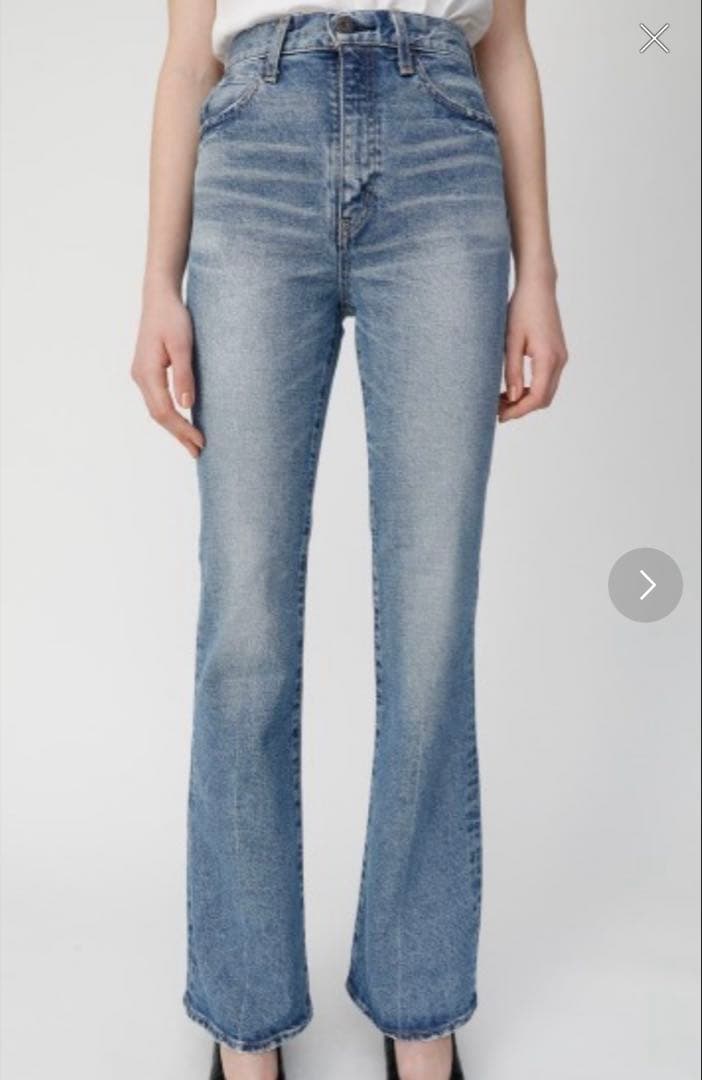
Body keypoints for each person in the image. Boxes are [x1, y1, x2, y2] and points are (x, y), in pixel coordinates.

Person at [131, 1, 567, 1077]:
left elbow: (507, 43)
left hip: (442, 148)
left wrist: (541, 276)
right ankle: (244, 1018)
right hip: (256, 149)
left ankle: (420, 1001)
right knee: (244, 632)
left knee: (430, 623)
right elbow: (187, 58)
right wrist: (155, 285)